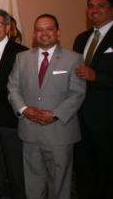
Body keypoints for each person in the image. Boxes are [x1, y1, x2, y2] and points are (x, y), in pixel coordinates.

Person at [8, 14, 85, 199]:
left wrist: (55, 114)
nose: (44, 33)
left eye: (49, 29)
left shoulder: (73, 58)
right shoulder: (22, 57)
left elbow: (78, 93)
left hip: (59, 131)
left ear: (58, 32)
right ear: (34, 34)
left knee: (60, 183)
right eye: (39, 30)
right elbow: (13, 87)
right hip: (30, 130)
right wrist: (25, 110)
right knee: (33, 181)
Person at [0, 9, 28, 199]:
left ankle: (20, 194)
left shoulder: (22, 53)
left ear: (8, 27)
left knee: (15, 161)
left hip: (12, 116)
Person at [73, 0, 113, 199]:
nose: (94, 10)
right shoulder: (81, 38)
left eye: (101, 5)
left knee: (106, 171)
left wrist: (97, 76)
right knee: (84, 170)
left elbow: (93, 75)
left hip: (107, 119)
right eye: (90, 5)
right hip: (80, 117)